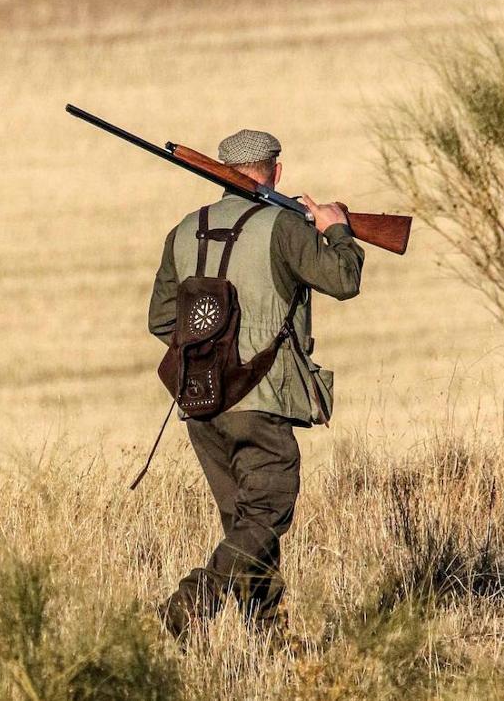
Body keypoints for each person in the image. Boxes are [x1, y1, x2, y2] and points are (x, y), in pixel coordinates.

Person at [146, 128, 364, 639]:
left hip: (201, 402)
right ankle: (192, 600)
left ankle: (267, 635)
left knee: (246, 524)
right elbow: (344, 280)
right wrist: (337, 230)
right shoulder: (283, 226)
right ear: (276, 172)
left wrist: (210, 345)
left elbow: (161, 320)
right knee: (266, 512)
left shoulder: (184, 229)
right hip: (261, 397)